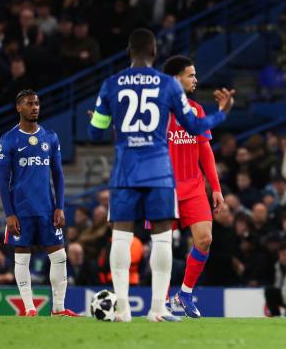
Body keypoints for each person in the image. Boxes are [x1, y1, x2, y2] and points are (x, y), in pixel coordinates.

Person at [87, 28, 234, 323]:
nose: (195, 79)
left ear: (129, 51)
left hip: (126, 170)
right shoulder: (166, 86)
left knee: (120, 237)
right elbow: (194, 126)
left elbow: (94, 132)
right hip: (159, 173)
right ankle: (157, 309)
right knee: (163, 240)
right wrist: (222, 114)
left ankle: (123, 311)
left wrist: (102, 121)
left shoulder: (111, 84)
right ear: (154, 52)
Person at [0, 89, 78, 316]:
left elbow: (59, 175)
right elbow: (2, 181)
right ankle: (29, 309)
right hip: (21, 210)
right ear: (18, 108)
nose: (35, 107)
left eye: (37, 103)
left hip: (47, 209)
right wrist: (9, 213)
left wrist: (59, 206)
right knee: (22, 258)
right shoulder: (8, 139)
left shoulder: (50, 137)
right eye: (29, 104)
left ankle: (59, 308)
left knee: (59, 256)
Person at [162, 55, 226, 318]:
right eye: (191, 74)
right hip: (164, 188)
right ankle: (161, 300)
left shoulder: (196, 110)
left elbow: (205, 150)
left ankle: (185, 294)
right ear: (176, 79)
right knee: (162, 246)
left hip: (194, 187)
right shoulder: (156, 111)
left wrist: (216, 188)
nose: (196, 79)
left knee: (205, 239)